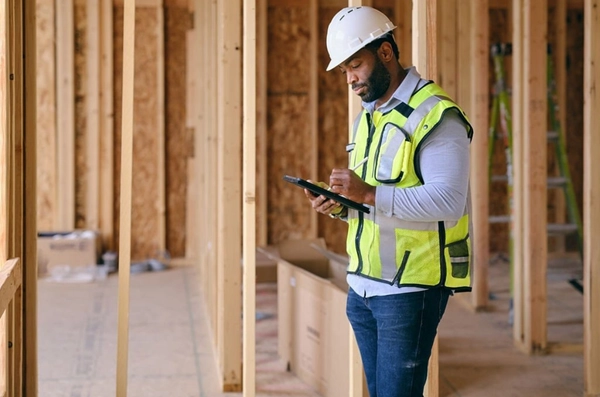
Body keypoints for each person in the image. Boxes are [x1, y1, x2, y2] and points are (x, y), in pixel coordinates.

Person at [304, 6, 473, 397]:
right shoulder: (370, 118)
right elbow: (376, 205)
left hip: (409, 291)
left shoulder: (436, 115)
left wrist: (365, 193)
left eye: (356, 66)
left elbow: (448, 201)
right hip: (363, 286)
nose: (350, 79)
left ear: (385, 53)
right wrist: (342, 204)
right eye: (344, 70)